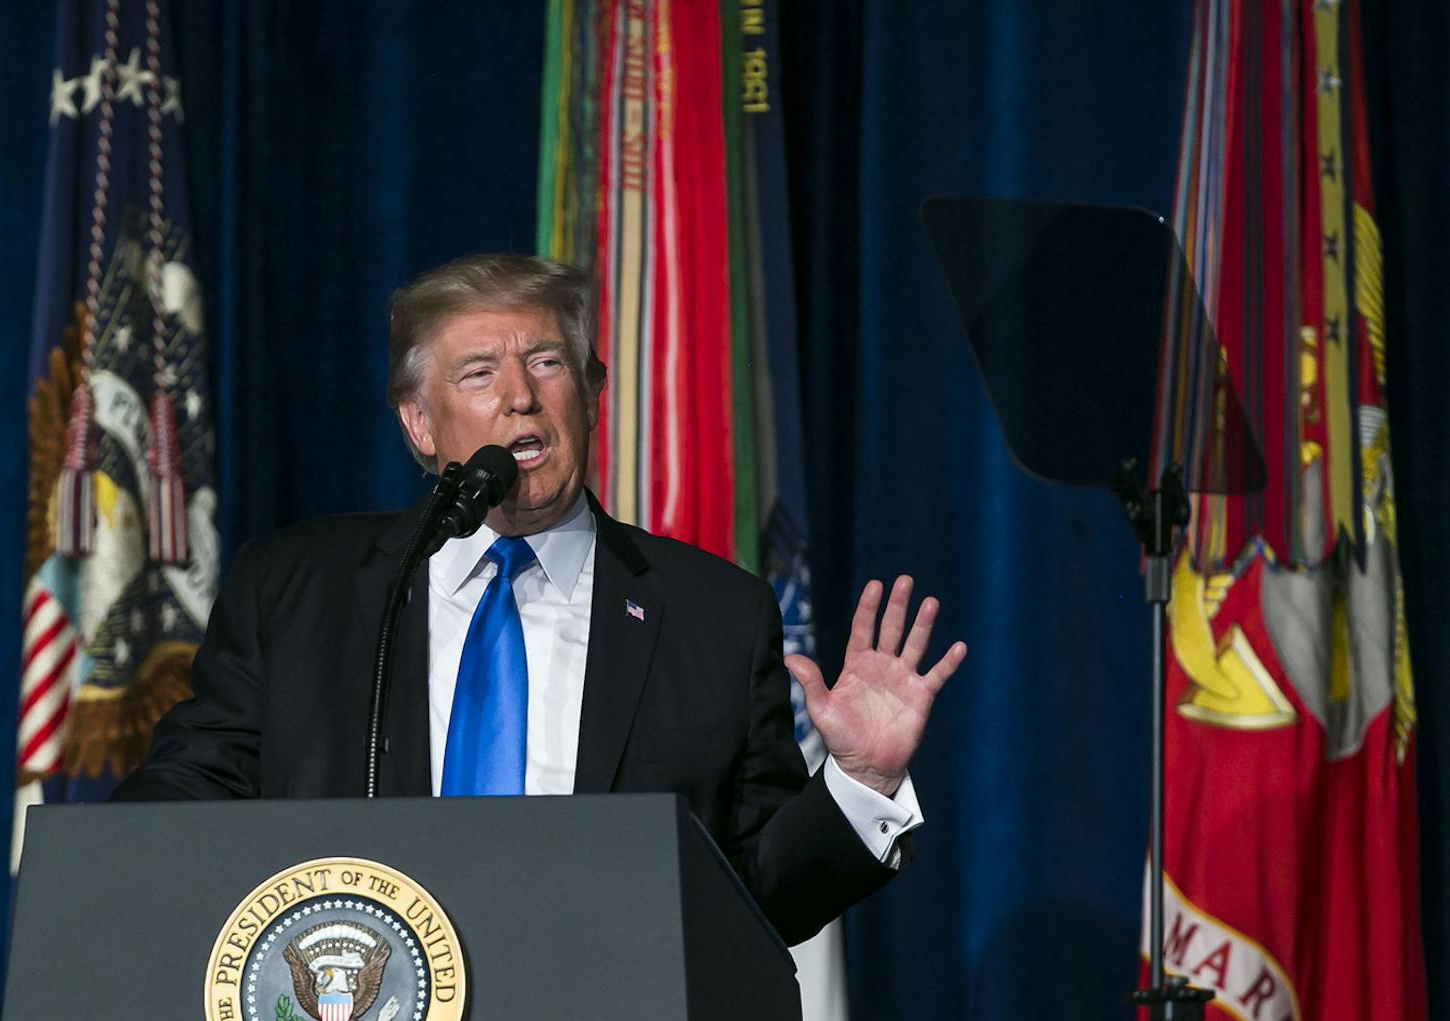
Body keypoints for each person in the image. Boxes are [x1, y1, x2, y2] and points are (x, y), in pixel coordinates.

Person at [112, 253, 964, 943]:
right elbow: (189, 797)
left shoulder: (713, 616)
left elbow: (757, 899)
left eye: (546, 362)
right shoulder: (297, 590)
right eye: (478, 372)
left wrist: (859, 781)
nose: (519, 395)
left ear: (591, 394)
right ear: (419, 422)